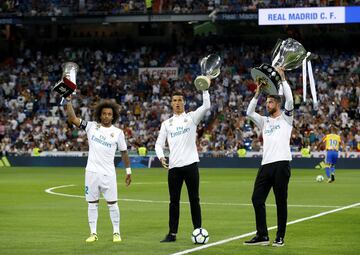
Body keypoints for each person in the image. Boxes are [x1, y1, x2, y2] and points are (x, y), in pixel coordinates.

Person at [64, 96, 132, 243]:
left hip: (109, 174)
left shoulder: (118, 133)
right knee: (92, 203)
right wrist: (68, 100)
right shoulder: (91, 126)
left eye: (109, 114)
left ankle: (116, 232)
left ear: (113, 116)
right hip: (92, 173)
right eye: (104, 113)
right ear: (100, 114)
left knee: (112, 203)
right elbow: (73, 118)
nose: (106, 116)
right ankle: (93, 233)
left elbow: (124, 152)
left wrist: (128, 172)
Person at [244, 68, 293, 247]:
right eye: (267, 102)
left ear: (278, 104)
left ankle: (280, 236)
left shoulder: (287, 119)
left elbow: (291, 99)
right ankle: (262, 235)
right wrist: (257, 94)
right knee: (257, 199)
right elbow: (249, 113)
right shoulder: (265, 121)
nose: (267, 104)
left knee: (281, 202)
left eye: (270, 102)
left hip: (281, 164)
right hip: (266, 165)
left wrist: (283, 78)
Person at [155, 89, 211, 242]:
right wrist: (161, 157)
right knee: (174, 201)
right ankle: (172, 234)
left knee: (194, 199)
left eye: (180, 100)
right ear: (171, 104)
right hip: (174, 168)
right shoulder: (166, 124)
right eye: (175, 100)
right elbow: (158, 144)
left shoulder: (192, 117)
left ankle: (198, 230)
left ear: (184, 102)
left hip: (191, 165)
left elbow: (206, 105)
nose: (177, 103)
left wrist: (205, 89)